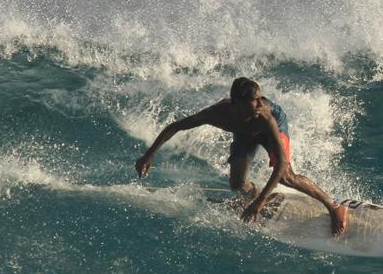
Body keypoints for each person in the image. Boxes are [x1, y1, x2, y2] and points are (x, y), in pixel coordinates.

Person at [135, 78, 350, 236]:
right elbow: (177, 126)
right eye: (254, 101)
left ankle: (333, 206)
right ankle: (251, 193)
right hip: (244, 131)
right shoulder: (216, 114)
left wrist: (259, 203)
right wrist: (148, 155)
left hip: (268, 130)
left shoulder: (266, 115)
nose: (259, 104)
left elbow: (281, 164)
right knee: (236, 184)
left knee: (286, 176)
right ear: (236, 103)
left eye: (259, 99)